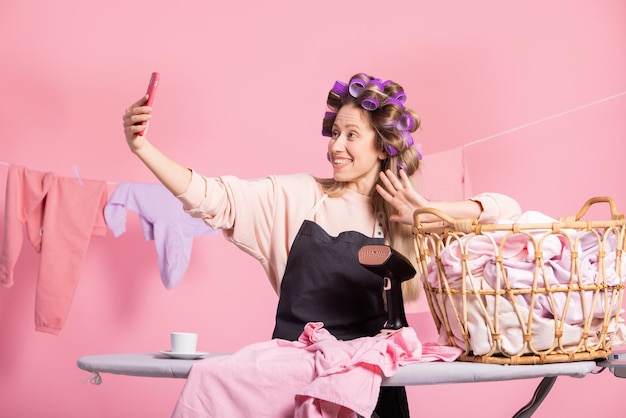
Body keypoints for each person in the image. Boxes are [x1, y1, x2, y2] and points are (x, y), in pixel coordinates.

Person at [122, 72, 521, 417]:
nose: (335, 146)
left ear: (383, 147)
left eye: (351, 135)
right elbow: (211, 197)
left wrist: (430, 209)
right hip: (295, 388)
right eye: (334, 133)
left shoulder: (408, 216)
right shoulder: (297, 198)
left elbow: (508, 212)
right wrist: (142, 148)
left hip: (374, 397)